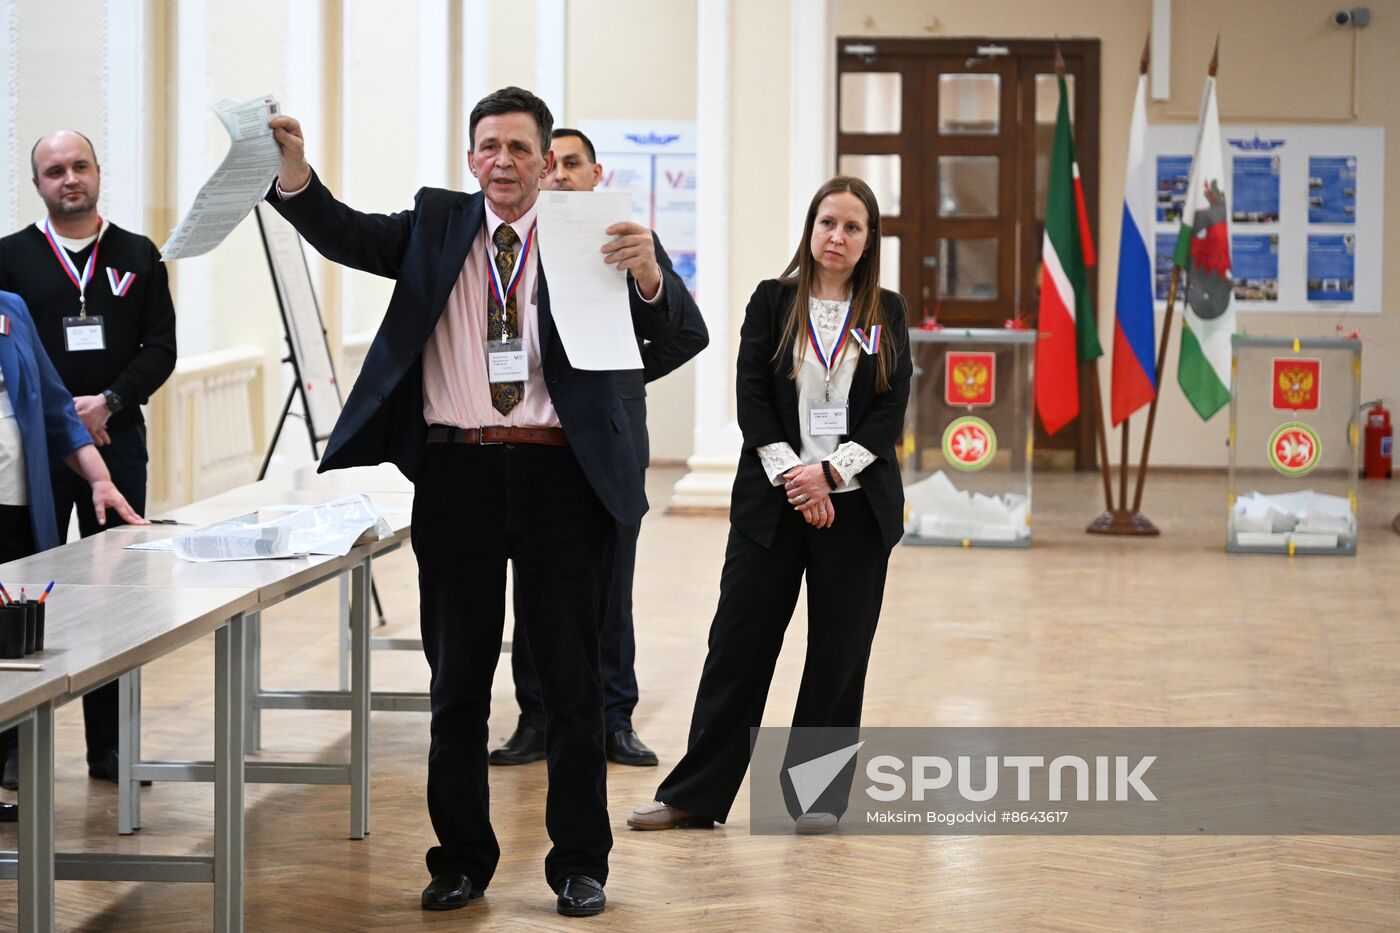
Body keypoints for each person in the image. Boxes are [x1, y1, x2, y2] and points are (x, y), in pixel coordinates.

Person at [266, 87, 690, 918]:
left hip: (559, 479)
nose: (504, 161)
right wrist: (295, 175)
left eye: (522, 149)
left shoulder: (589, 236)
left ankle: (578, 862)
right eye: (489, 146)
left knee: (572, 686)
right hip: (456, 477)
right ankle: (460, 858)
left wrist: (647, 275)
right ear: (471, 158)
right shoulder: (436, 223)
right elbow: (346, 233)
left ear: (545, 161)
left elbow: (677, 336)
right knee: (456, 683)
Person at [628, 176, 911, 835]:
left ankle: (816, 800)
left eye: (852, 227)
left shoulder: (886, 313)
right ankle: (696, 795)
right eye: (827, 223)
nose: (836, 236)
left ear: (870, 241)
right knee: (738, 645)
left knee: (837, 659)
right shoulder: (772, 301)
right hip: (772, 504)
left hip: (857, 509)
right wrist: (798, 480)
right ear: (810, 230)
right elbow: (752, 401)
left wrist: (830, 475)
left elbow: (887, 414)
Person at [491, 127, 708, 769]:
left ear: (597, 174)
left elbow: (685, 331)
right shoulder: (511, 243)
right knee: (531, 585)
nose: (558, 175)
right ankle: (535, 720)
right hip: (531, 440)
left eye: (572, 164)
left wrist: (619, 377)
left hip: (609, 441)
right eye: (549, 164)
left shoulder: (629, 240)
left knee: (610, 586)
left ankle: (615, 719)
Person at [0, 130, 176, 788]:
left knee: (114, 598)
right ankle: (15, 752)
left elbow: (161, 347)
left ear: (98, 172)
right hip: (35, 455)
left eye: (79, 166)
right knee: (22, 596)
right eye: (54, 170)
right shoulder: (11, 259)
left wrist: (110, 399)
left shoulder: (137, 254)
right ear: (38, 184)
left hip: (116, 443)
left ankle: (110, 745)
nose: (68, 178)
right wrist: (61, 415)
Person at [0, 290, 146, 821]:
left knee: (14, 648)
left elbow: (56, 410)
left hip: (17, 506)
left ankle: (7, 764)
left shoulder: (11, 307)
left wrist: (101, 480)